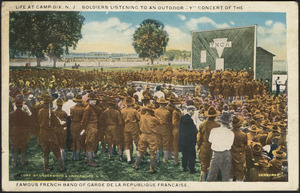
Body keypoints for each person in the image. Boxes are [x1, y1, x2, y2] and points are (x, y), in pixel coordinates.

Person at [38, 95, 65, 173]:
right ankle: (62, 167)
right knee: (56, 150)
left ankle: (46, 168)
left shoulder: (40, 111)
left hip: (42, 133)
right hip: (50, 133)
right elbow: (57, 122)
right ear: (49, 103)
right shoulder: (50, 112)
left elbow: (39, 121)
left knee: (45, 151)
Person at [132, 103, 160, 174]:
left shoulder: (142, 117)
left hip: (143, 135)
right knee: (152, 152)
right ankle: (152, 168)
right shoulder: (154, 119)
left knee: (140, 151)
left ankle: (136, 165)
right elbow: (159, 123)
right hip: (152, 136)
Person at [207, 111, 234, 181]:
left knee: (212, 173)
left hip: (216, 153)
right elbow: (230, 144)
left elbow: (210, 140)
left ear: (220, 122)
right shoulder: (231, 133)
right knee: (226, 174)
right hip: (226, 153)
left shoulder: (214, 130)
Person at [197, 106, 221, 181]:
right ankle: (212, 180)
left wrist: (199, 146)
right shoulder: (218, 125)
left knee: (203, 164)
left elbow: (199, 138)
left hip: (204, 145)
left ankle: (203, 180)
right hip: (214, 146)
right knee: (213, 164)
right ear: (215, 116)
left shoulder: (203, 124)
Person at [9, 99, 31, 167]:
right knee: (23, 146)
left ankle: (14, 162)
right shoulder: (25, 114)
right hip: (23, 131)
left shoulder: (11, 114)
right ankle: (23, 161)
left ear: (16, 106)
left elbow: (10, 124)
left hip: (15, 131)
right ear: (22, 106)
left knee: (15, 146)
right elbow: (28, 124)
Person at [80, 93, 100, 167]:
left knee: (91, 143)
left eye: (95, 100)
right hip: (90, 127)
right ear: (88, 101)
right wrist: (84, 129)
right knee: (90, 144)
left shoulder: (92, 108)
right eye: (92, 100)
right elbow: (84, 121)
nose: (94, 102)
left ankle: (89, 159)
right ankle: (90, 161)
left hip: (93, 127)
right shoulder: (88, 109)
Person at [121, 97, 141, 164]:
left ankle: (128, 158)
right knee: (137, 142)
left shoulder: (122, 111)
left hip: (126, 127)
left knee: (127, 143)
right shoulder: (134, 111)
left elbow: (121, 121)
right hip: (134, 127)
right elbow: (139, 119)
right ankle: (139, 157)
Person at [179, 105, 198, 174]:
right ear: (189, 110)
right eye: (193, 110)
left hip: (183, 140)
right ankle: (191, 169)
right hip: (190, 140)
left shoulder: (182, 118)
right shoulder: (189, 119)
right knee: (192, 155)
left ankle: (184, 167)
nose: (193, 112)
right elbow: (193, 131)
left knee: (185, 154)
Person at [154, 97, 172, 164]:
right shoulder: (167, 112)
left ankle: (158, 158)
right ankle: (165, 159)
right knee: (165, 144)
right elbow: (169, 120)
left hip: (157, 128)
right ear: (165, 104)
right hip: (165, 128)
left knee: (158, 144)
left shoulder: (155, 111)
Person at [230, 116, 248, 181]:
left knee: (230, 172)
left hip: (230, 154)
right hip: (240, 155)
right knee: (240, 173)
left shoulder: (229, 133)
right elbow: (246, 145)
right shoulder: (243, 134)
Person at [70, 94, 85, 161]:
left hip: (73, 124)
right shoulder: (83, 109)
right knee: (79, 140)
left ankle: (73, 156)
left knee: (74, 139)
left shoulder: (72, 108)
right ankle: (78, 155)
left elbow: (71, 117)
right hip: (79, 125)